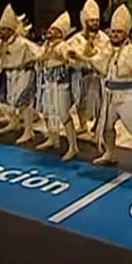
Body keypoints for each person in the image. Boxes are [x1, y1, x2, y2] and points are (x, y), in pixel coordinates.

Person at [70, 5, 132, 176]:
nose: (114, 35)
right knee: (106, 126)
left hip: (129, 95)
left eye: (118, 32)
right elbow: (95, 61)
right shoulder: (107, 50)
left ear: (125, 34)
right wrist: (80, 57)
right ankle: (110, 153)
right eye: (113, 32)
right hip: (110, 95)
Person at [33, 11, 80, 161]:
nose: (50, 30)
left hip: (60, 84)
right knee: (47, 112)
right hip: (47, 82)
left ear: (60, 34)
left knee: (63, 114)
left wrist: (68, 55)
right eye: (51, 28)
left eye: (54, 29)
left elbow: (67, 53)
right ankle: (53, 138)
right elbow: (38, 56)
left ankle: (73, 147)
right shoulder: (46, 46)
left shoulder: (62, 45)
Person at [0, 4, 41, 144]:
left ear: (10, 30)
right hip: (9, 74)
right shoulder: (1, 43)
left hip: (24, 73)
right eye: (0, 29)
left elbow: (39, 53)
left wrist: (30, 62)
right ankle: (14, 123)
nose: (0, 31)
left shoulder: (23, 43)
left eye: (3, 29)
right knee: (9, 101)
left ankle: (28, 131)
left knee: (23, 102)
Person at [66, 0, 110, 139]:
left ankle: (98, 127)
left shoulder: (104, 39)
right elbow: (69, 54)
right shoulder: (76, 38)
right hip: (80, 75)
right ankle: (83, 125)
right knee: (80, 103)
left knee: (98, 103)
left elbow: (104, 56)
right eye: (91, 21)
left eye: (96, 20)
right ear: (85, 22)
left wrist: (90, 58)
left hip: (97, 77)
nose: (95, 23)